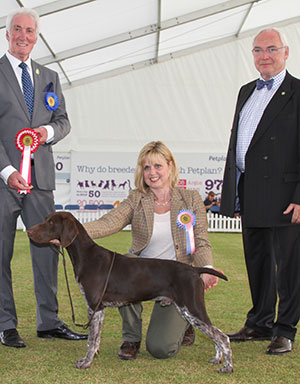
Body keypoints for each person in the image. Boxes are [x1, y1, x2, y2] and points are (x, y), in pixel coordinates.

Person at [84, 141, 221, 361]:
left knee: (160, 349)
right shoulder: (136, 198)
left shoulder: (191, 198)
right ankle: (131, 338)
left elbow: (202, 241)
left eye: (157, 166)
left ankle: (185, 321)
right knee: (123, 265)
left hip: (174, 277)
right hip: (141, 274)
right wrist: (72, 229)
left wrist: (206, 269)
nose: (152, 172)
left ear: (170, 166)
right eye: (146, 167)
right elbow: (109, 222)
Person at [0, 8, 87, 348]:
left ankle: (48, 321)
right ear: (7, 33)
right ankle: (6, 324)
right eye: (17, 29)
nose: (24, 36)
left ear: (36, 37)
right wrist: (8, 172)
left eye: (30, 31)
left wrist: (47, 131)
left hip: (41, 180)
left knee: (47, 252)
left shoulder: (48, 75)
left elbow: (63, 120)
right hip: (3, 180)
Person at [220, 28, 300, 355]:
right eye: (257, 50)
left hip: (285, 196)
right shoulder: (245, 91)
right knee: (258, 263)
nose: (264, 56)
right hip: (250, 190)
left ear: (286, 52)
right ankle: (260, 322)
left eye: (271, 49)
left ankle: (285, 329)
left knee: (289, 267)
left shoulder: (297, 91)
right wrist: (233, 192)